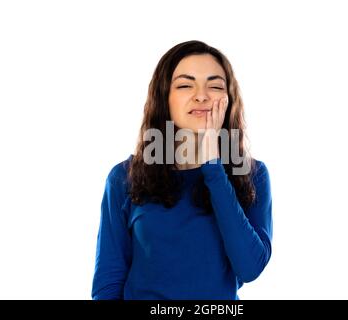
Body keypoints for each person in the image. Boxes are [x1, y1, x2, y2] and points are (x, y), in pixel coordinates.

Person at [91, 40, 273, 300]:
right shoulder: (123, 177)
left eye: (215, 86)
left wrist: (213, 166)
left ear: (228, 99)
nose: (201, 96)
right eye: (186, 85)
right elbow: (108, 284)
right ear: (164, 97)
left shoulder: (253, 174)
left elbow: (250, 267)